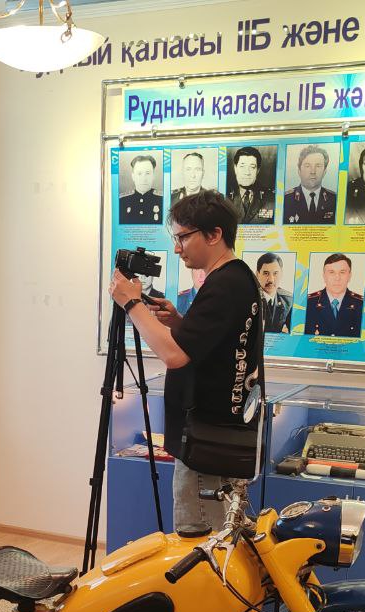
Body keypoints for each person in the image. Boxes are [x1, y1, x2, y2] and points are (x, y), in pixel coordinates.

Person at [109, 191, 262, 532]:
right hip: (217, 439)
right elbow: (214, 346)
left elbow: (174, 355)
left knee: (203, 544)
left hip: (206, 445)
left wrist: (132, 304)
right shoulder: (237, 279)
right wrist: (180, 323)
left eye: (182, 237)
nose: (177, 248)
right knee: (220, 539)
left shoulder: (224, 285)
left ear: (214, 234)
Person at [304, 254, 364, 337]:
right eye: (331, 272)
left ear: (349, 276)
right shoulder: (306, 304)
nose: (337, 278)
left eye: (342, 272)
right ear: (324, 276)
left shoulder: (362, 305)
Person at [282, 145, 336, 224]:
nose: (313, 172)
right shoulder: (285, 200)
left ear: (324, 171)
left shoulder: (335, 199)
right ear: (299, 171)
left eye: (318, 166)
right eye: (307, 166)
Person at [226, 146, 274, 224]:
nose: (247, 172)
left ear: (258, 170)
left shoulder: (271, 198)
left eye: (252, 167)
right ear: (235, 168)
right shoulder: (225, 195)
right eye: (242, 166)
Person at [119, 154, 163, 224]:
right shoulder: (121, 200)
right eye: (139, 174)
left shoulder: (163, 199)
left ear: (153, 176)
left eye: (148, 173)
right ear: (133, 176)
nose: (144, 179)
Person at [256, 253, 292, 334]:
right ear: (257, 274)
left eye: (275, 273)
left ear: (281, 274)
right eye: (266, 273)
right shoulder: (248, 299)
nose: (271, 279)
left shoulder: (288, 301)